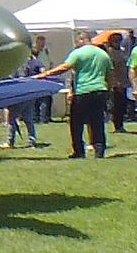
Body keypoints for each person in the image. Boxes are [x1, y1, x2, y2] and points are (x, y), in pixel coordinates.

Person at [39, 28, 112, 158]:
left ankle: (79, 150)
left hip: (83, 91)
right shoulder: (103, 54)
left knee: (76, 123)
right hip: (100, 90)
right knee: (97, 121)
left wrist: (45, 74)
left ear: (82, 40)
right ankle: (99, 150)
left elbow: (64, 67)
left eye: (77, 41)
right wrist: (108, 90)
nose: (75, 44)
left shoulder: (78, 53)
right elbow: (110, 74)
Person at [2, 35, 50, 149]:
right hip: (31, 93)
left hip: (20, 93)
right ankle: (32, 141)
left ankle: (10, 142)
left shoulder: (18, 64)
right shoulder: (36, 62)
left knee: (11, 118)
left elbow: (17, 78)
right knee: (29, 119)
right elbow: (43, 73)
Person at [101, 30, 132, 134]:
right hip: (115, 83)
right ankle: (117, 125)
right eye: (115, 40)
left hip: (123, 82)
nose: (118, 42)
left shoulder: (122, 51)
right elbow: (110, 70)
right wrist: (113, 82)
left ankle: (120, 124)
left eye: (119, 40)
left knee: (122, 104)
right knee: (115, 105)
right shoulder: (109, 53)